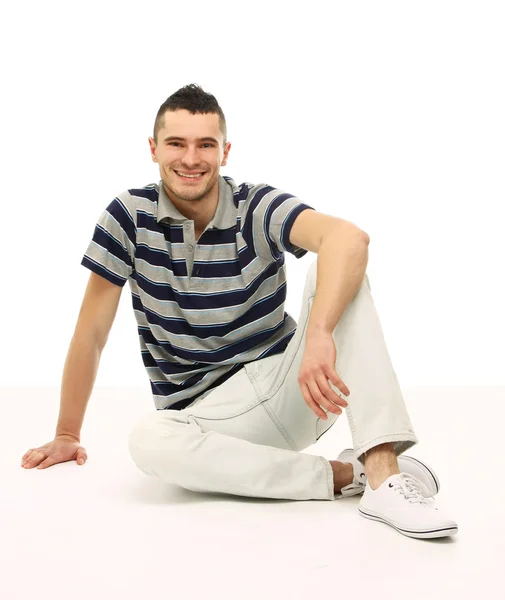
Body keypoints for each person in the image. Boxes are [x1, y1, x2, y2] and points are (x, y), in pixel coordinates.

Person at [21, 83, 457, 540]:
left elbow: (349, 238)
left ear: (225, 151)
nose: (191, 159)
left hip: (297, 388)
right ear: (153, 149)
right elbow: (91, 334)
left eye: (205, 144)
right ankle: (351, 477)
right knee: (148, 440)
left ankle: (386, 475)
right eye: (177, 143)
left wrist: (320, 334)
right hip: (207, 423)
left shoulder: (255, 205)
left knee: (341, 271)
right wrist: (67, 434)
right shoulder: (128, 216)